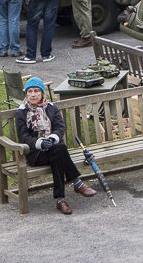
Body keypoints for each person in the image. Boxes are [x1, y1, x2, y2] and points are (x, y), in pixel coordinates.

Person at [15, 77, 97, 214]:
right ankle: (77, 183)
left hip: (53, 150)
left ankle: (61, 200)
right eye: (30, 91)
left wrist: (52, 139)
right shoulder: (22, 112)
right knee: (61, 150)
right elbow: (23, 136)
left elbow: (60, 128)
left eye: (36, 91)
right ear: (26, 94)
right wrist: (40, 143)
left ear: (42, 93)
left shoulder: (51, 108)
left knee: (57, 156)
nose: (33, 94)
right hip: (35, 153)